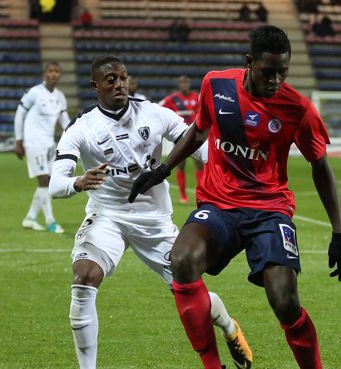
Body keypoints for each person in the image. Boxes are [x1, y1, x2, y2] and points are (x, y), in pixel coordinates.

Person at [129, 25, 341, 369]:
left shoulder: (299, 109)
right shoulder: (216, 85)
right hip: (219, 206)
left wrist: (338, 233)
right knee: (182, 260)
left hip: (270, 211)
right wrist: (163, 169)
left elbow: (320, 167)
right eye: (268, 71)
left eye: (282, 72)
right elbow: (198, 131)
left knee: (285, 300)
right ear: (249, 62)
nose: (276, 80)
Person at [49, 55, 252, 369]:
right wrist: (77, 182)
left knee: (192, 294)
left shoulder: (155, 114)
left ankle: (229, 327)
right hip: (108, 217)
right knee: (84, 279)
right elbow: (55, 183)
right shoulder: (82, 127)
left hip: (155, 221)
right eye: (111, 80)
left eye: (123, 78)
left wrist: (233, 163)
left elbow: (200, 147)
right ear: (95, 86)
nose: (119, 84)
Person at [14, 61, 69, 234]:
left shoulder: (60, 96)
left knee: (50, 182)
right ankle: (50, 221)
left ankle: (30, 218)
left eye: (57, 71)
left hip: (49, 142)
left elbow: (65, 121)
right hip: (33, 141)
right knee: (44, 180)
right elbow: (19, 114)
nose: (54, 74)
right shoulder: (34, 93)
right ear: (45, 73)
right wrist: (18, 140)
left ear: (59, 74)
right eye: (51, 71)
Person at [160, 75, 203, 203]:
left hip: (195, 135)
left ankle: (201, 192)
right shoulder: (172, 99)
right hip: (180, 136)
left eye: (187, 83)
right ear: (179, 85)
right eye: (182, 83)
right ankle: (183, 195)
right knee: (180, 164)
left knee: (200, 164)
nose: (185, 85)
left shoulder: (196, 97)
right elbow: (160, 107)